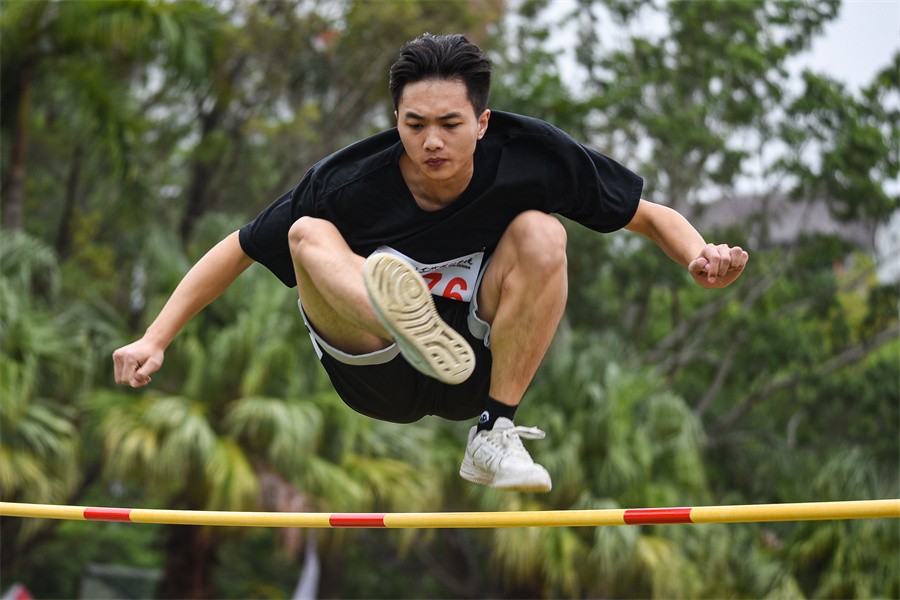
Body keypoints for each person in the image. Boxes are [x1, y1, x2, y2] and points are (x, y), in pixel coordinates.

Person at [113, 33, 748, 493]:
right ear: (396, 119)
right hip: (372, 364)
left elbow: (649, 215)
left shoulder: (533, 157)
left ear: (483, 122)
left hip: (474, 357)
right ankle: (399, 320)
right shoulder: (348, 180)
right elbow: (241, 246)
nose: (432, 142)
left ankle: (493, 433)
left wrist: (699, 254)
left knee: (542, 232)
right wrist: (155, 337)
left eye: (450, 124)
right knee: (306, 231)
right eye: (414, 125)